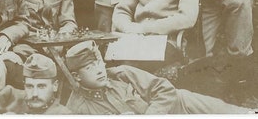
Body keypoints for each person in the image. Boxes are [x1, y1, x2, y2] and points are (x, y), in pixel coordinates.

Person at [64, 40, 252, 114]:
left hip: (178, 104)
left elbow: (164, 89)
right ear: (76, 76)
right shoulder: (77, 108)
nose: (99, 70)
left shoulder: (121, 74)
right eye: (90, 67)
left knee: (241, 115)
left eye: (99, 63)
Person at [0, 53, 72, 114]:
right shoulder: (11, 97)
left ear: (55, 86)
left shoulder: (63, 114)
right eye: (29, 86)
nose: (35, 94)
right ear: (24, 85)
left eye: (41, 86)